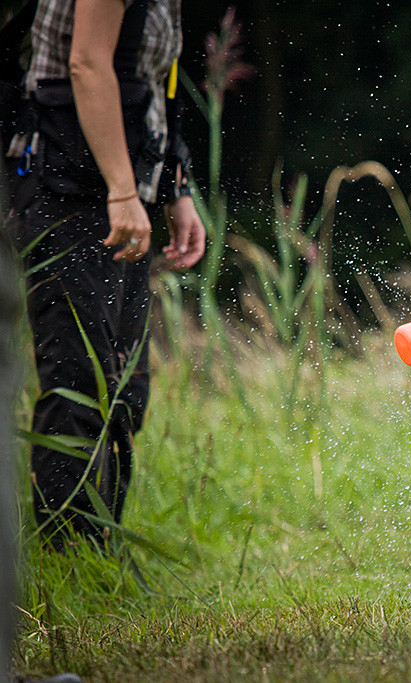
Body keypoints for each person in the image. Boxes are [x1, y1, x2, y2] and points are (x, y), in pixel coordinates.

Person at [7, 0, 204, 551]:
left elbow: (155, 86)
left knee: (124, 387)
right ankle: (67, 554)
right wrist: (122, 190)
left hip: (124, 194)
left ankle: (99, 545)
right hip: (67, 190)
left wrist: (176, 189)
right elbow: (86, 65)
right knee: (78, 382)